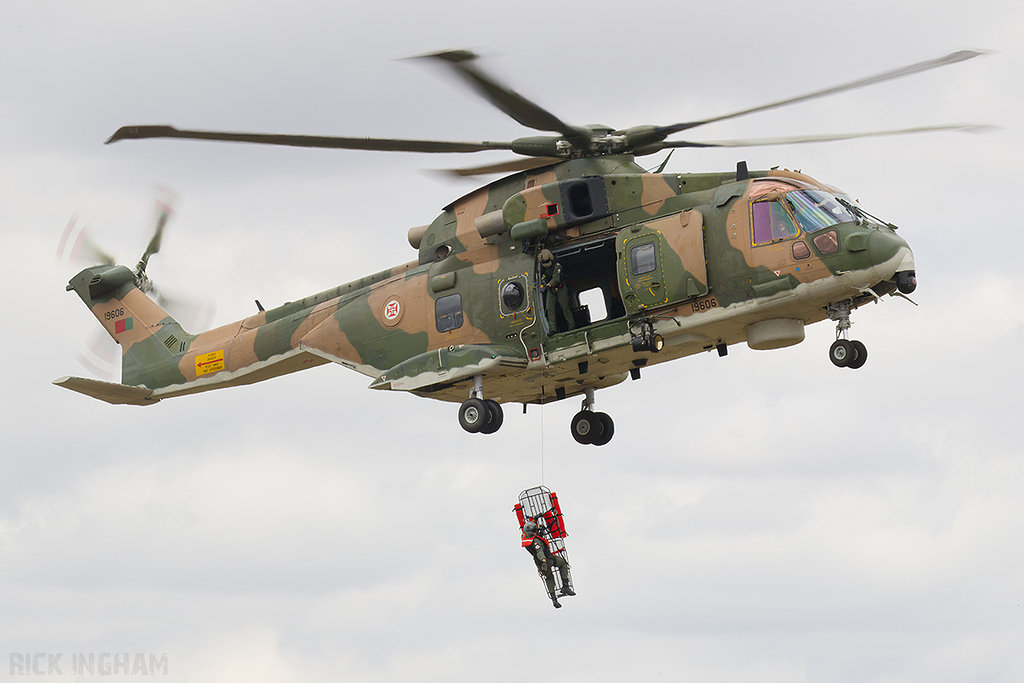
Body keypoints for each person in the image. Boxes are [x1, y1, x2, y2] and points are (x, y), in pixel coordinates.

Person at [522, 519, 574, 608]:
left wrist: (534, 520)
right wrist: (544, 561)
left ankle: (554, 600)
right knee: (563, 563)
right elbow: (540, 552)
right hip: (547, 560)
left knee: (549, 577)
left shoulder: (525, 539)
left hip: (538, 563)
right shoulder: (536, 542)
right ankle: (565, 586)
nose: (536, 532)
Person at [538, 249, 575, 333]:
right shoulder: (542, 268)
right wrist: (543, 283)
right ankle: (553, 328)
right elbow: (543, 276)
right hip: (550, 289)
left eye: (546, 262)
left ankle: (571, 326)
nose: (545, 264)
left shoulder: (557, 266)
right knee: (550, 308)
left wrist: (547, 286)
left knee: (564, 307)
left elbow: (556, 279)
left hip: (560, 287)